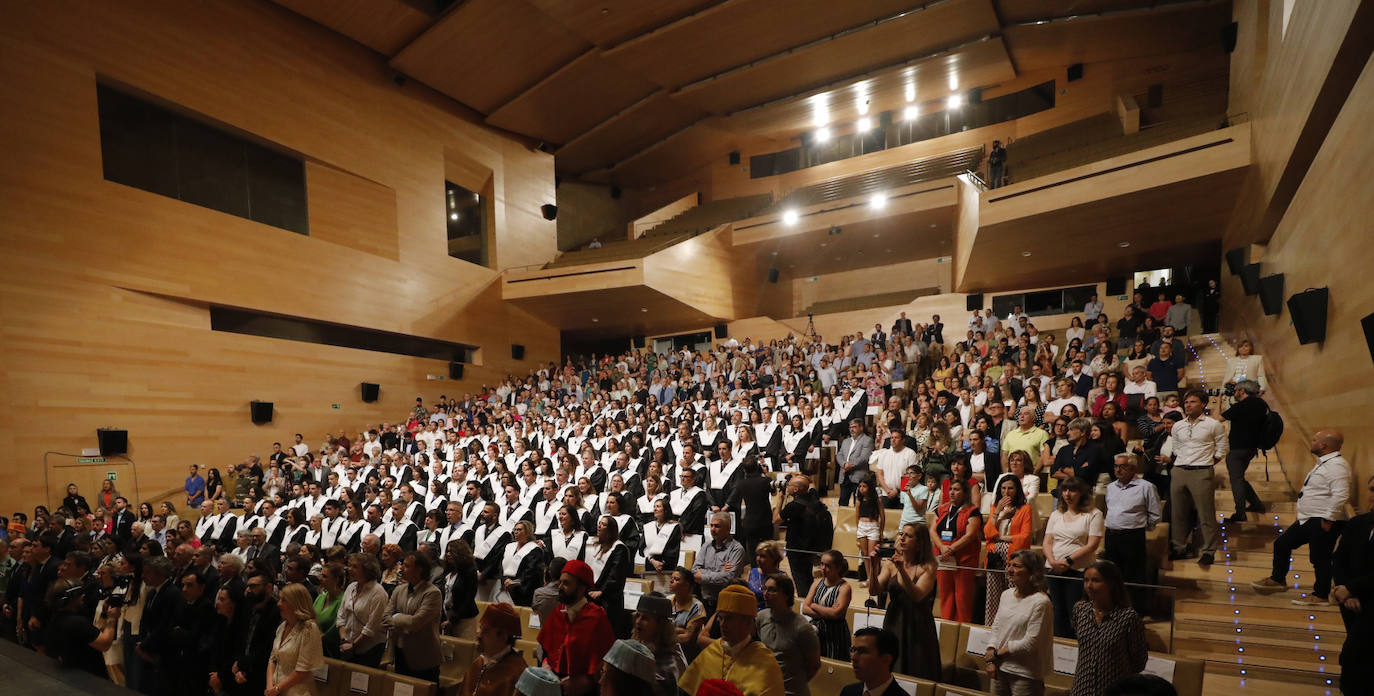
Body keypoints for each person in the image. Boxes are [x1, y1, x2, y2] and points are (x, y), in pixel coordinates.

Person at [1251, 429, 1351, 605]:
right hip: (1309, 518)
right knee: (1282, 544)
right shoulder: (1324, 463)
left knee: (1320, 557)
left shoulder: (1337, 466)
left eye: (1314, 440)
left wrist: (1328, 519)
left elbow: (1341, 495)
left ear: (1323, 445)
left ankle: (1320, 595)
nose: (1311, 443)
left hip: (1323, 519)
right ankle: (1278, 579)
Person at [677, 584, 786, 696]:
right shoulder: (712, 652)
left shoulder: (764, 661)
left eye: (729, 618)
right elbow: (687, 690)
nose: (723, 624)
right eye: (720, 618)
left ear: (748, 622)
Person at [870, 522, 941, 681]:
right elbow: (874, 590)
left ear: (919, 543)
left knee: (917, 667)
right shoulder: (889, 564)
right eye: (901, 534)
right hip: (894, 620)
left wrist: (901, 569)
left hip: (918, 623)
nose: (901, 538)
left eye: (908, 536)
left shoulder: (928, 566)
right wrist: (873, 568)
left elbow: (916, 596)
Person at [1069, 561, 1148, 696]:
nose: (1089, 586)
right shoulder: (1080, 610)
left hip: (1114, 690)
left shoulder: (1128, 617)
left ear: (1111, 584)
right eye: (1086, 580)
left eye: (1095, 580)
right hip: (1081, 689)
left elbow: (1139, 661)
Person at [537, 560, 615, 696]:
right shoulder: (557, 612)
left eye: (566, 583)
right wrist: (546, 664)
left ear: (581, 588)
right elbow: (547, 651)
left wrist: (587, 681)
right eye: (560, 582)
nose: (560, 587)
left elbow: (605, 662)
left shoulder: (597, 617)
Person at [983, 550, 1052, 696]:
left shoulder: (1041, 602)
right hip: (999, 668)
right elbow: (996, 627)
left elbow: (1030, 642)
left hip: (1025, 674)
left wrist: (997, 653)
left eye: (1016, 566)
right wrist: (991, 654)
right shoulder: (1006, 594)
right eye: (1009, 565)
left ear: (1032, 571)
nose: (1010, 569)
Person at [1167, 390, 1225, 566]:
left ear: (1203, 404)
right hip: (1179, 470)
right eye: (1186, 402)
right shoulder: (1178, 426)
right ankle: (1180, 548)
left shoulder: (1213, 424)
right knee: (1178, 513)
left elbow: (1222, 448)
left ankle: (1208, 550)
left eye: (1193, 402)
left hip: (1201, 471)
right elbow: (1176, 447)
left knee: (1205, 513)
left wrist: (1206, 463)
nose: (1188, 405)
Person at [1043, 477, 1104, 638]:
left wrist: (1068, 561)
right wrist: (1053, 561)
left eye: (1072, 490)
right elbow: (1047, 542)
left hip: (1078, 569)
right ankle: (1059, 647)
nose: (1067, 494)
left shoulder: (1094, 514)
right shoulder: (1057, 514)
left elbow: (1092, 545)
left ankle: (1078, 646)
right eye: (1065, 490)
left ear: (1082, 493)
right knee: (1057, 610)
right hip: (1053, 568)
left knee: (1075, 611)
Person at [1332, 474, 1374, 696]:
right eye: (1372, 489)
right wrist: (1345, 592)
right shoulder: (1358, 523)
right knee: (1355, 654)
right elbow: (1339, 559)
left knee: (1354, 653)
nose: (1373, 495)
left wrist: (1352, 588)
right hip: (1349, 600)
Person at [1102, 454, 1161, 614]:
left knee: (1133, 576)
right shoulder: (1111, 487)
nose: (1118, 470)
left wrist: (1138, 527)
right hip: (1112, 535)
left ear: (1133, 469)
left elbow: (1155, 515)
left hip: (1132, 537)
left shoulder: (1146, 487)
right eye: (1116, 466)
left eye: (1122, 466)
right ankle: (1114, 609)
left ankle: (1134, 612)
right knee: (1112, 575)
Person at [756, 574, 821, 696]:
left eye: (772, 590)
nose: (765, 594)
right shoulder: (761, 617)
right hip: (767, 690)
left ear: (786, 595)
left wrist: (793, 682)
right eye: (764, 589)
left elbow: (814, 665)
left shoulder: (802, 628)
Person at [385, 551, 442, 682]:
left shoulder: (433, 593)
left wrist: (396, 617)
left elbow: (415, 623)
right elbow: (385, 616)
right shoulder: (399, 589)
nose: (401, 568)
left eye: (406, 565)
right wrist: (404, 622)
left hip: (424, 656)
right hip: (400, 652)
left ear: (419, 570)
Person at [983, 476, 1033, 625]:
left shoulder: (1025, 509)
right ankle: (991, 627)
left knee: (1013, 593)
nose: (1006, 492)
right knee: (993, 595)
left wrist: (1001, 537)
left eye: (1010, 488)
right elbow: (987, 534)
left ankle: (1011, 626)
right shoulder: (994, 508)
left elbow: (1025, 537)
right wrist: (998, 512)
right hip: (994, 555)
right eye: (1003, 488)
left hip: (1014, 556)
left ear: (1017, 490)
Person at [931, 478, 981, 622]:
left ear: (965, 493)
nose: (952, 492)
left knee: (962, 597)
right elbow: (932, 531)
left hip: (963, 560)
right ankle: (947, 627)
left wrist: (951, 549)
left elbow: (970, 535)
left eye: (957, 489)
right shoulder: (941, 509)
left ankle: (962, 630)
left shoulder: (972, 511)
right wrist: (941, 547)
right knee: (946, 596)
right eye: (951, 489)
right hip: (944, 558)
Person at [1217, 380, 1268, 522]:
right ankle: (1257, 504)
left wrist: (1220, 399)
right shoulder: (1261, 404)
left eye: (1236, 390)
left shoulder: (1239, 407)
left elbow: (1217, 419)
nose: (1235, 393)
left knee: (1236, 480)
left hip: (1237, 449)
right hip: (1252, 448)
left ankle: (1240, 513)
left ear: (1242, 391)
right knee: (1239, 478)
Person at [458, 603, 529, 696]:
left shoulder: (517, 673)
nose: (479, 635)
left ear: (503, 636)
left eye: (485, 631)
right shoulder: (479, 662)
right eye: (480, 628)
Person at [267, 583, 325, 696]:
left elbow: (302, 671)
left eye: (284, 600)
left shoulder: (309, 629)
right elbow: (273, 659)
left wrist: (277, 689)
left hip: (297, 692)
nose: (278, 604)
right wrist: (270, 686)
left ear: (296, 603)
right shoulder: (283, 626)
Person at [631, 593, 687, 696]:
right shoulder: (639, 645)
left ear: (660, 625)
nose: (638, 621)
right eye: (638, 615)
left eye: (645, 618)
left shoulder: (671, 661)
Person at [338, 553, 389, 667]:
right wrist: (345, 640)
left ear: (367, 570)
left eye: (354, 567)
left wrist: (353, 646)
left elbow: (371, 627)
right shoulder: (351, 587)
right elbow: (341, 616)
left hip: (369, 649)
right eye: (349, 565)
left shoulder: (378, 592)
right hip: (347, 644)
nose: (349, 569)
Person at [802, 550, 852, 660]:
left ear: (838, 568)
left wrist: (814, 606)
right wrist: (827, 612)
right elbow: (805, 609)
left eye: (828, 565)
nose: (823, 568)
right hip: (816, 634)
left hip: (836, 636)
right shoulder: (816, 583)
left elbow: (836, 614)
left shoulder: (844, 587)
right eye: (822, 564)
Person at [692, 512, 744, 615]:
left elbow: (729, 577)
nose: (713, 529)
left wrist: (703, 577)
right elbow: (694, 570)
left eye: (717, 526)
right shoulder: (706, 546)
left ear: (728, 528)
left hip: (726, 604)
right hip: (704, 601)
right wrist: (720, 572)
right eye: (711, 525)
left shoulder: (737, 549)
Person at [842, 626, 903, 696]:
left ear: (886, 659)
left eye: (863, 651)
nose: (853, 658)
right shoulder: (848, 692)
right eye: (853, 650)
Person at [854, 475, 884, 584]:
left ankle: (874, 577)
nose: (861, 488)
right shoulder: (859, 500)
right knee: (865, 553)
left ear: (870, 487)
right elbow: (856, 516)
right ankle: (869, 577)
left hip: (873, 526)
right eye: (860, 486)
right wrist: (858, 529)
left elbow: (882, 516)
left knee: (872, 554)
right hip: (862, 527)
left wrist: (881, 531)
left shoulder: (877, 500)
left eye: (864, 486)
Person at [837, 420, 874, 507]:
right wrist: (844, 464)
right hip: (844, 475)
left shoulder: (867, 440)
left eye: (854, 427)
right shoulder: (846, 441)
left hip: (858, 476)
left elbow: (864, 457)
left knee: (858, 502)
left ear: (861, 428)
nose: (851, 429)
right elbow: (839, 455)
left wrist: (849, 465)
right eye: (850, 427)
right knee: (842, 501)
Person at [314, 563, 346, 656]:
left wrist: (319, 637)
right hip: (314, 645)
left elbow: (335, 629)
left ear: (336, 580)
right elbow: (310, 617)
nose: (320, 578)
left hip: (331, 650)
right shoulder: (320, 597)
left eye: (324, 576)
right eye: (320, 575)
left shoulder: (343, 600)